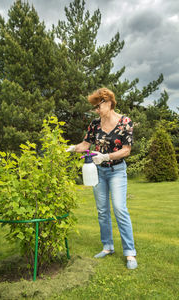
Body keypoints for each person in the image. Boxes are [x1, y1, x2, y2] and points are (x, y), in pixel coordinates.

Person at [66, 87, 137, 270]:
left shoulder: (125, 122)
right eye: (95, 108)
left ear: (109, 102)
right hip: (99, 172)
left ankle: (130, 252)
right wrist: (72, 148)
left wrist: (106, 157)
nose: (96, 110)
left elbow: (126, 150)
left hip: (116, 171)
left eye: (99, 106)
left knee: (120, 209)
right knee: (102, 211)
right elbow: (85, 144)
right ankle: (108, 247)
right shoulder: (95, 124)